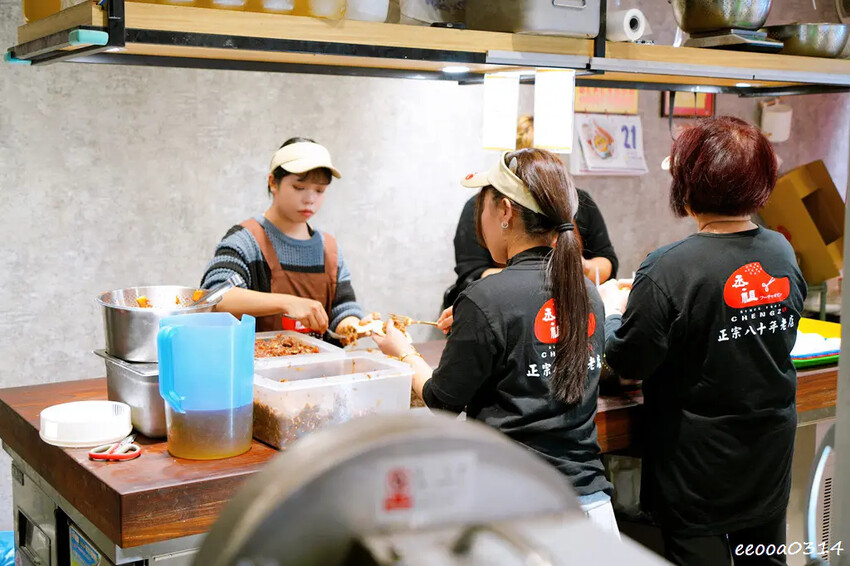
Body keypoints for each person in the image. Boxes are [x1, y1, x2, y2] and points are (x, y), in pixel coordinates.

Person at [374, 148, 618, 535]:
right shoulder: (587, 292)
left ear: (504, 210)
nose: (480, 220)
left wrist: (402, 351)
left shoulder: (487, 298)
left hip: (515, 514)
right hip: (590, 508)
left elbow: (442, 400)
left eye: (483, 206)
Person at [599, 117, 806, 566]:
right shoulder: (781, 253)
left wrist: (611, 314)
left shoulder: (669, 268)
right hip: (767, 449)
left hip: (697, 463)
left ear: (688, 186)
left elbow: (631, 359)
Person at [443, 115, 618, 309]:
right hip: (504, 306)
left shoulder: (578, 202)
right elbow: (472, 274)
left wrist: (583, 267)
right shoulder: (485, 206)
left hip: (566, 307)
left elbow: (607, 260)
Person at [201, 137, 365, 337]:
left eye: (320, 190)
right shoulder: (246, 241)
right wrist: (288, 302)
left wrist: (356, 327)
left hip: (321, 366)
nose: (310, 199)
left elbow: (343, 309)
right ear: (273, 183)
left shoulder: (329, 250)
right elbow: (215, 298)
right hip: (257, 366)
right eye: (299, 188)